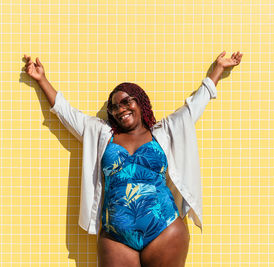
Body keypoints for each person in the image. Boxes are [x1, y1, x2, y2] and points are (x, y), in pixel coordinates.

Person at [23, 51, 242, 267]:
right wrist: (42, 80)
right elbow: (66, 112)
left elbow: (194, 106)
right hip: (116, 235)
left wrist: (218, 70)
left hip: (164, 229)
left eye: (127, 102)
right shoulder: (101, 134)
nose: (121, 109)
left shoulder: (164, 132)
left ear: (141, 103)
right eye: (115, 107)